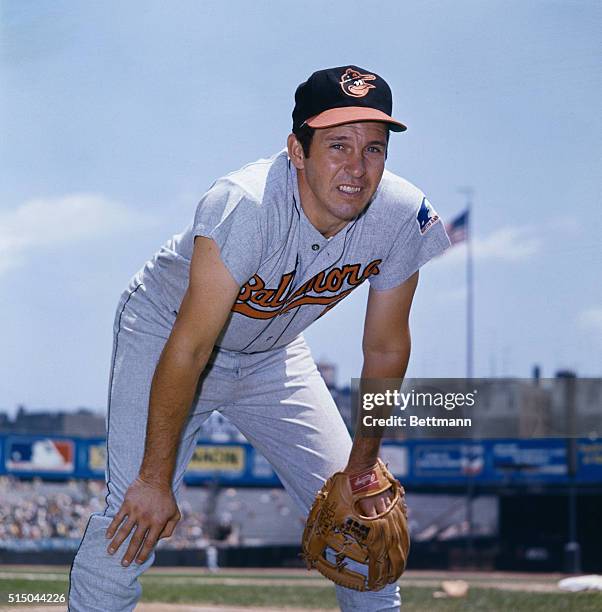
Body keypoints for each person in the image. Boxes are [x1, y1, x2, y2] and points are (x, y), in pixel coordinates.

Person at [68, 64, 450, 611]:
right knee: (134, 514)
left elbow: (386, 347)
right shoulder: (245, 205)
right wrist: (155, 480)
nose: (357, 167)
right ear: (298, 149)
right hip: (169, 334)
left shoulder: (400, 214)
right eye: (338, 145)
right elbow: (191, 348)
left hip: (275, 356)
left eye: (374, 149)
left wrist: (363, 466)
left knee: (364, 524)